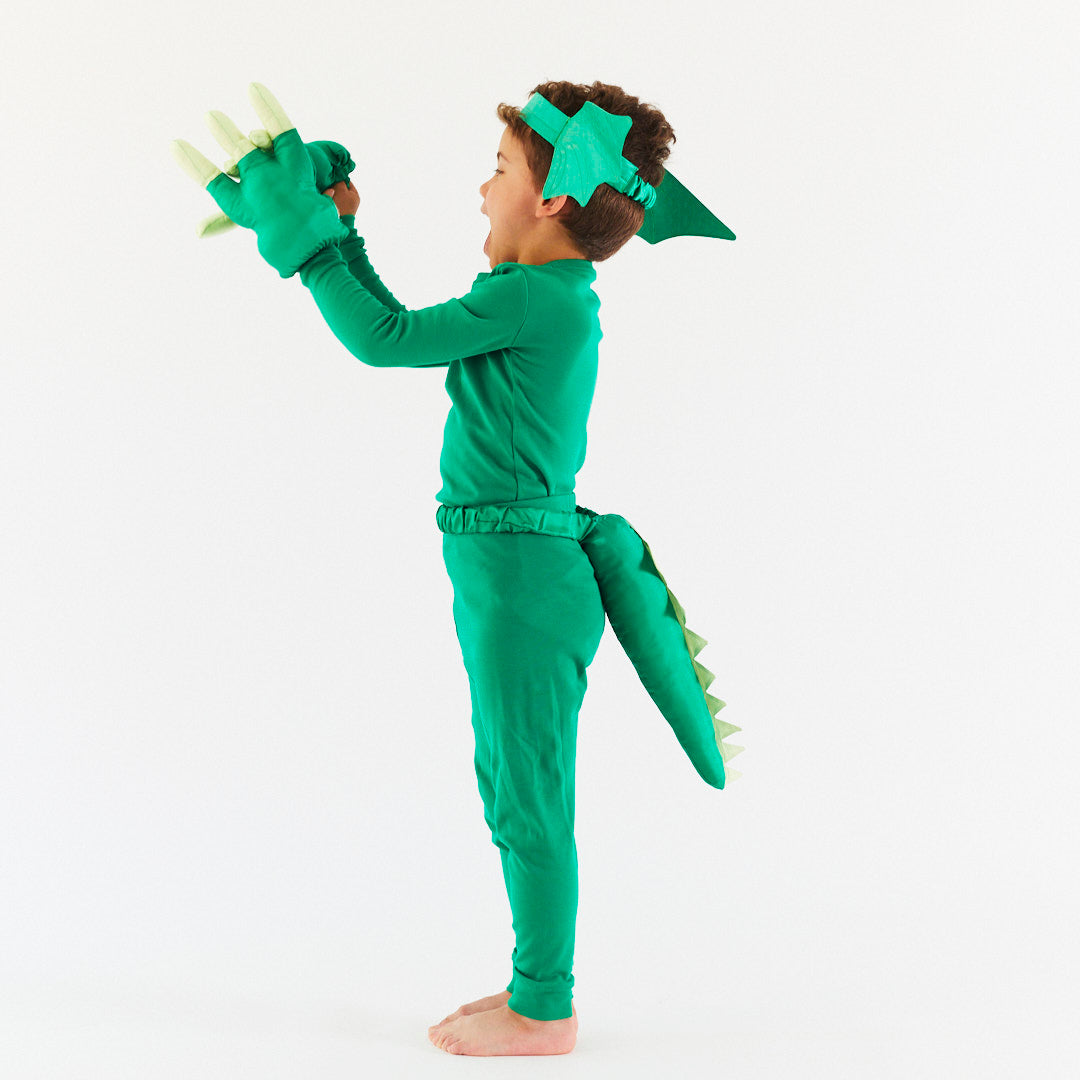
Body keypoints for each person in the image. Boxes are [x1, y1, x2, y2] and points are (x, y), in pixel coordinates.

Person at [172, 77, 741, 1058]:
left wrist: (310, 240)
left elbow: (383, 339)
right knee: (514, 786)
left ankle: (544, 1009)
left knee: (527, 794)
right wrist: (339, 236)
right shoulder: (543, 297)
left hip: (520, 579)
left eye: (499, 168)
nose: (483, 190)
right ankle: (534, 986)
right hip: (509, 573)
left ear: (554, 197)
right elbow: (399, 327)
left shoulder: (530, 297)